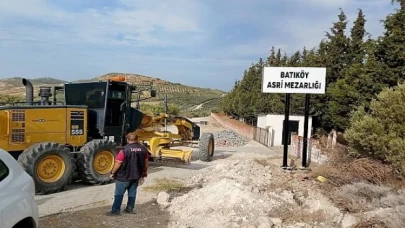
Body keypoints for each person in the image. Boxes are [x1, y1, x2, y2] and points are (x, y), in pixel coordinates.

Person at [108, 133, 149, 215]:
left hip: (123, 176)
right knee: (132, 193)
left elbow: (118, 163)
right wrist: (144, 172)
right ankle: (130, 209)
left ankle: (115, 211)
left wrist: (113, 172)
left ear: (127, 140)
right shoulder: (143, 149)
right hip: (136, 176)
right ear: (137, 139)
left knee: (119, 194)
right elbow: (146, 162)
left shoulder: (124, 149)